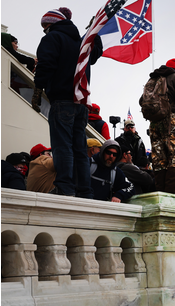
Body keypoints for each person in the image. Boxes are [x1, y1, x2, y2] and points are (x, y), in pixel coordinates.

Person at [33, 7, 102, 198]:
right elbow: (95, 54)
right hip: (81, 104)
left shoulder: (52, 39)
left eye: (45, 25)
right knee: (79, 148)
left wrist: (38, 89)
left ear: (52, 24)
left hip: (62, 101)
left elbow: (45, 65)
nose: (44, 29)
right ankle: (84, 190)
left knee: (62, 145)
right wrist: (94, 32)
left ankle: (64, 186)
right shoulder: (81, 42)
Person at [140, 58, 175, 194]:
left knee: (159, 156)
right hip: (170, 119)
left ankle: (160, 189)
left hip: (154, 122)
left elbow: (141, 100)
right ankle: (172, 190)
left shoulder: (152, 80)